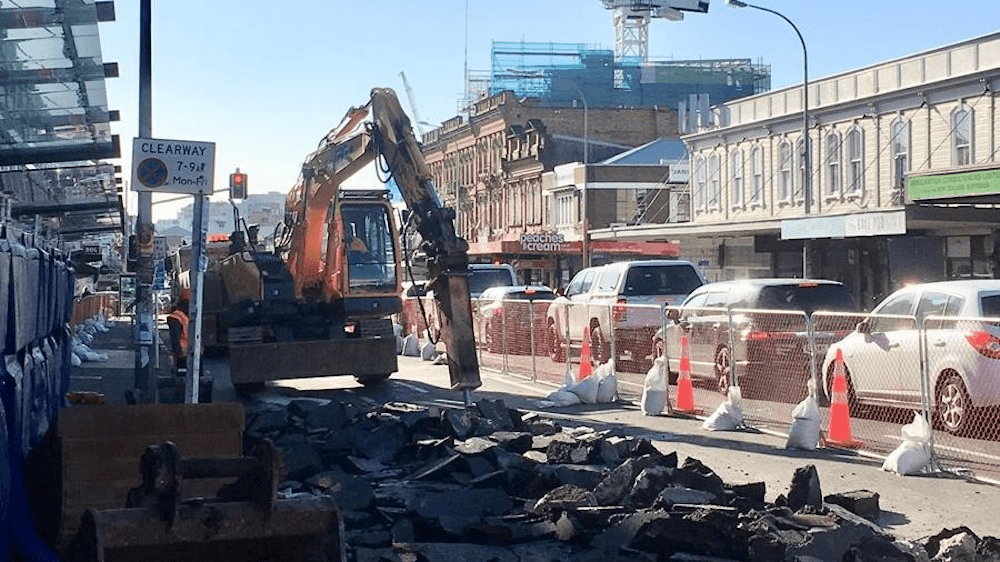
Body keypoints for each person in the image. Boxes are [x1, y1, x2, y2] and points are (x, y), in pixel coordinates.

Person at [166, 298, 189, 374]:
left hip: (186, 351)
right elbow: (175, 337)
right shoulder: (177, 317)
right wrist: (177, 351)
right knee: (183, 375)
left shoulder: (183, 316)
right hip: (183, 353)